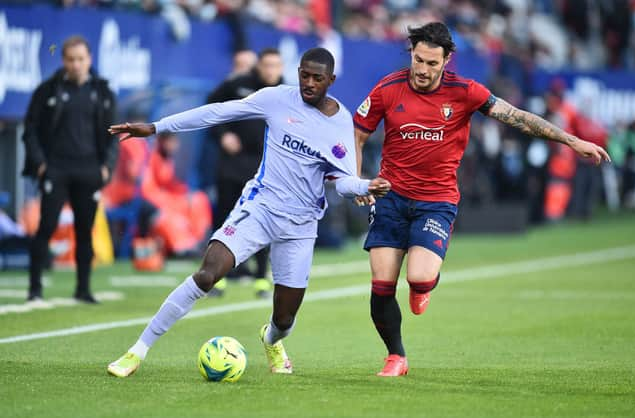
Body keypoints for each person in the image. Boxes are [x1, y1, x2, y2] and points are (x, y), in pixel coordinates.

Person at [106, 47, 391, 378]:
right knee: (207, 274)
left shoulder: (341, 123)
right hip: (259, 208)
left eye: (317, 78)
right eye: (304, 75)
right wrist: (156, 127)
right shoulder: (276, 99)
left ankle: (271, 339)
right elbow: (218, 112)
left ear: (331, 80)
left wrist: (364, 186)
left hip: (300, 226)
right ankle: (136, 351)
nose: (309, 83)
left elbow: (341, 181)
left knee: (284, 320)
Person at [353, 22, 611, 377]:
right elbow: (357, 134)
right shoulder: (388, 88)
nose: (423, 70)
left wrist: (572, 141)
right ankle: (396, 356)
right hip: (391, 196)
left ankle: (423, 286)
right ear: (411, 54)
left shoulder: (466, 91)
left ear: (447, 61)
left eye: (432, 63)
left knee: (419, 277)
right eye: (419, 60)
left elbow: (517, 118)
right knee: (381, 286)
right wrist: (357, 182)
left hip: (436, 200)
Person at [22, 35, 118, 303]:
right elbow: (30, 129)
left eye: (80, 59)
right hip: (56, 168)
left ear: (89, 59)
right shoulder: (48, 90)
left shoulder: (102, 92)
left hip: (89, 169)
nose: (76, 65)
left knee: (85, 230)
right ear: (63, 61)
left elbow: (113, 135)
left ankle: (83, 289)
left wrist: (107, 167)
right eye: (70, 60)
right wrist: (40, 163)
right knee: (47, 225)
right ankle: (34, 289)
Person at [206, 47, 284, 298]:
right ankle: (217, 277)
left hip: (264, 168)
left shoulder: (287, 93)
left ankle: (261, 277)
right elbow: (210, 109)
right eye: (267, 65)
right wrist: (223, 135)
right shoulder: (237, 85)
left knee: (263, 220)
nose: (271, 70)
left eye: (276, 66)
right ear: (258, 67)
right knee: (225, 218)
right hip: (232, 163)